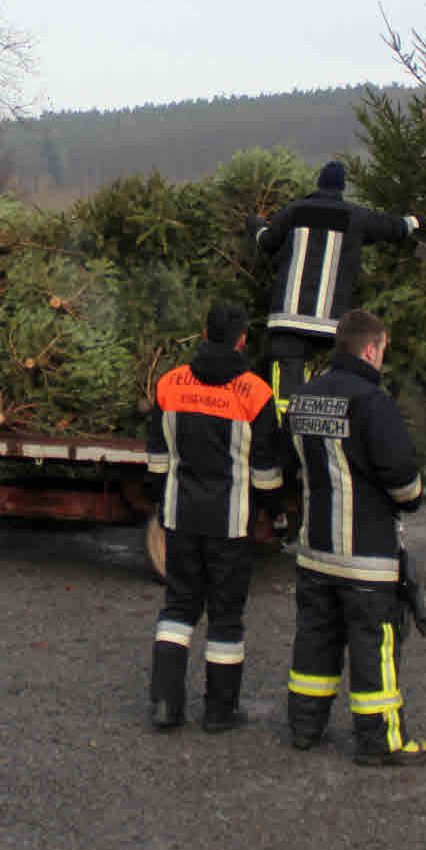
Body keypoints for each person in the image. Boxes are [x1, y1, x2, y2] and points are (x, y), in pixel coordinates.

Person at [285, 309, 426, 766]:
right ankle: (380, 741)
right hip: (366, 555)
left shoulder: (302, 398)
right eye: (382, 349)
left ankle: (304, 727)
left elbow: (289, 463)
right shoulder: (372, 401)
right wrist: (413, 498)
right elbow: (402, 478)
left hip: (315, 550)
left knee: (315, 638)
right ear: (370, 349)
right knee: (373, 646)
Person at [145, 302, 286, 733]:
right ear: (241, 341)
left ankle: (166, 705)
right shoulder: (256, 394)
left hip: (180, 515)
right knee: (225, 615)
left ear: (204, 334)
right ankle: (219, 712)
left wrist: (161, 502)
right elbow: (265, 471)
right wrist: (275, 512)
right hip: (231, 522)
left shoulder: (170, 384)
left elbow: (157, 459)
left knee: (178, 607)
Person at [247, 161, 424, 405]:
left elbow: (267, 242)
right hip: (332, 326)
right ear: (341, 188)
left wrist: (255, 223)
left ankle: (286, 424)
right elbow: (394, 227)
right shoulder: (356, 215)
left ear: (319, 183)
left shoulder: (295, 211)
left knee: (286, 391)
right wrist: (417, 221)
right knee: (327, 386)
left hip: (288, 319)